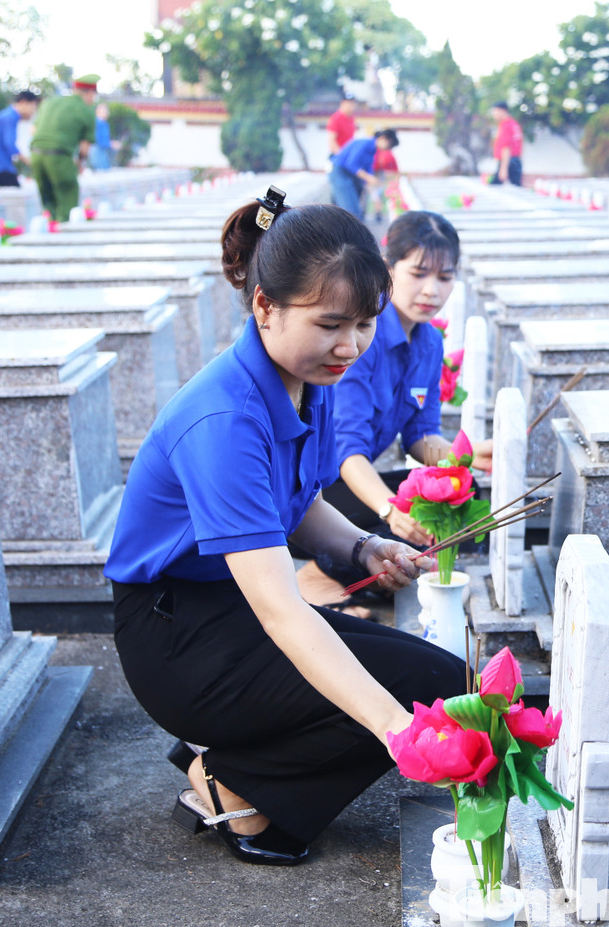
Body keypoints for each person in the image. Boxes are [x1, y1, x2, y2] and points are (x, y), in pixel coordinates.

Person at [104, 188, 466, 866]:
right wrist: (396, 731)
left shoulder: (311, 379)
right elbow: (283, 612)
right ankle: (233, 782)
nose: (351, 346)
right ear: (265, 305)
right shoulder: (224, 419)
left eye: (364, 324)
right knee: (405, 704)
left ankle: (241, 764)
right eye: (331, 323)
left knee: (446, 681)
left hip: (234, 612)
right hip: (179, 635)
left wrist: (363, 545)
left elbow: (296, 503)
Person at [294, 210, 492, 606]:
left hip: (355, 477)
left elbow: (420, 433)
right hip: (316, 484)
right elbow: (347, 451)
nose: (431, 291)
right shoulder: (362, 335)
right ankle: (318, 578)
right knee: (402, 525)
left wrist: (465, 457)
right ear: (389, 269)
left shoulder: (430, 343)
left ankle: (365, 577)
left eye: (444, 277)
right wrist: (390, 509)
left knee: (467, 499)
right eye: (418, 273)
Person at [29, 74, 98, 221]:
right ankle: (66, 235)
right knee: (68, 197)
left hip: (35, 155)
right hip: (58, 156)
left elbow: (33, 130)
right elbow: (84, 148)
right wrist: (79, 164)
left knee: (47, 201)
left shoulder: (50, 102)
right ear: (89, 93)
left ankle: (48, 228)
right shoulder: (86, 111)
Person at [331, 128, 398, 218]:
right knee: (351, 211)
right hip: (340, 172)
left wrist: (372, 184)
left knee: (353, 210)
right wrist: (369, 178)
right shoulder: (364, 143)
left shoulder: (373, 150)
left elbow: (368, 171)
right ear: (383, 138)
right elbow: (351, 164)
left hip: (351, 176)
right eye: (389, 146)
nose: (388, 149)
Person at [0, 91, 39, 187]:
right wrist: (28, 161)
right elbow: (10, 144)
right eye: (33, 107)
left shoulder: (8, 115)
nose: (33, 111)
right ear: (23, 103)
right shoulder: (10, 117)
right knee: (15, 195)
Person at [326, 96, 359, 207]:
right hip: (339, 159)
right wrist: (342, 157)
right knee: (343, 195)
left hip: (348, 161)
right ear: (342, 103)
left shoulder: (351, 119)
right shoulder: (336, 118)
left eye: (353, 103)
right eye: (349, 103)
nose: (351, 106)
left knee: (350, 191)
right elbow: (332, 141)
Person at [488, 102, 523, 186]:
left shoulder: (506, 125)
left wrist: (503, 168)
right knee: (516, 189)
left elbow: (506, 147)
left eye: (495, 112)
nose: (494, 115)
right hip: (515, 161)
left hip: (508, 161)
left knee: (494, 187)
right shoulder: (514, 124)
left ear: (503, 111)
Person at [90, 103, 114, 171]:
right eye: (103, 111)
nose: (105, 113)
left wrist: (110, 143)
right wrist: (110, 144)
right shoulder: (96, 123)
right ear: (97, 112)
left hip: (103, 149)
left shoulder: (105, 124)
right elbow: (96, 138)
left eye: (106, 111)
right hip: (97, 149)